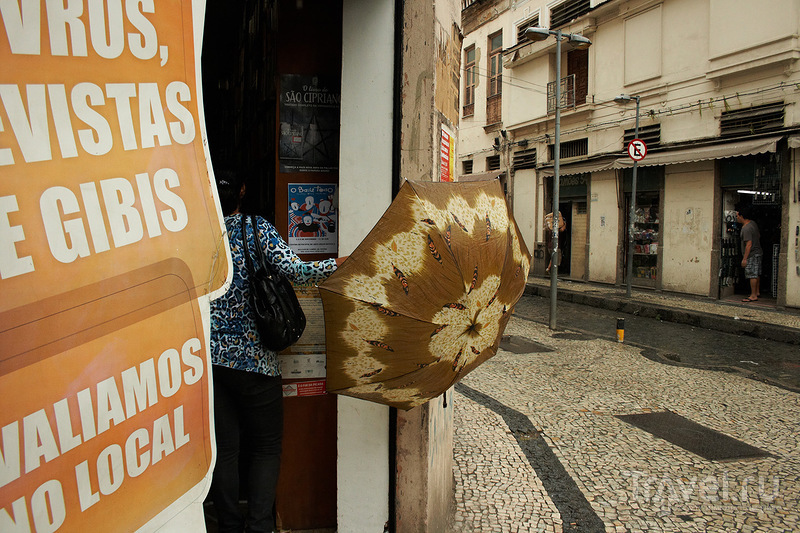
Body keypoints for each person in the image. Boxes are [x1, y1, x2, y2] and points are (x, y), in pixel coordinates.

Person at [210, 172, 345, 533]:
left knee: (225, 450)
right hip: (255, 362)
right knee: (266, 448)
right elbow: (297, 271)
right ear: (242, 190)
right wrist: (339, 263)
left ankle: (228, 524)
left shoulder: (199, 235)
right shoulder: (255, 228)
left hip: (212, 364)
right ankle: (258, 526)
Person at [737, 207, 762, 303]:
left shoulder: (746, 228)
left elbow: (748, 244)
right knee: (756, 273)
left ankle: (753, 295)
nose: (736, 218)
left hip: (751, 254)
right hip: (758, 252)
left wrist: (744, 259)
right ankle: (757, 292)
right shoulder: (753, 224)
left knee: (752, 274)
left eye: (737, 216)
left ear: (741, 216)